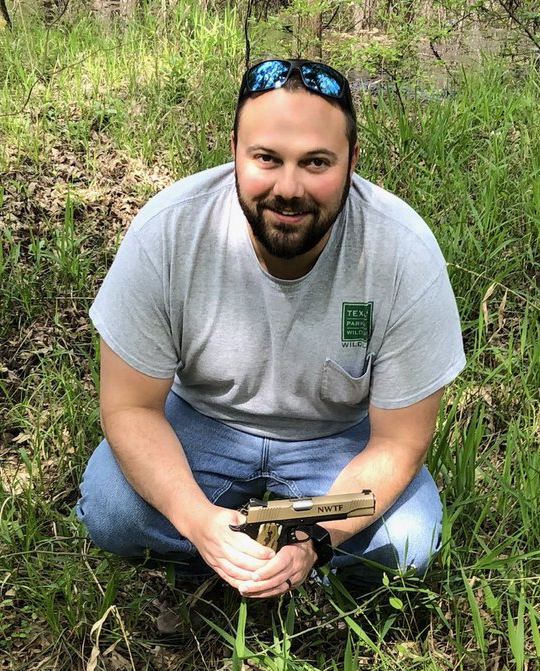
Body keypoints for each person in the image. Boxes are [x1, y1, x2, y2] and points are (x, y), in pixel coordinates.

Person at [76, 58, 465, 599]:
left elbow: (399, 441)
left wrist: (316, 536)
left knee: (409, 541)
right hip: (200, 425)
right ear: (235, 149)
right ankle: (229, 549)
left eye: (316, 162)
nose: (288, 188)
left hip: (337, 444)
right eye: (266, 158)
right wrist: (197, 521)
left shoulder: (403, 253)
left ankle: (281, 560)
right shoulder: (168, 233)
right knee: (110, 508)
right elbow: (129, 408)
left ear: (352, 161)